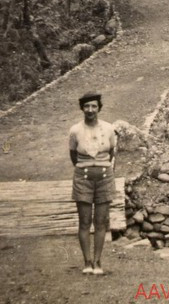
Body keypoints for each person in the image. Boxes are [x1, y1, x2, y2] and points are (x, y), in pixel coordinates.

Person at [69, 92, 116, 275]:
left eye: (94, 106)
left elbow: (111, 152)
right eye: (87, 106)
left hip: (105, 177)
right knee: (85, 220)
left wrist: (101, 167)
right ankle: (87, 262)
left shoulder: (109, 128)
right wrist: (86, 167)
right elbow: (73, 155)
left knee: (101, 221)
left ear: (99, 108)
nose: (90, 110)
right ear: (82, 108)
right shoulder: (75, 130)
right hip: (83, 177)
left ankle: (98, 261)